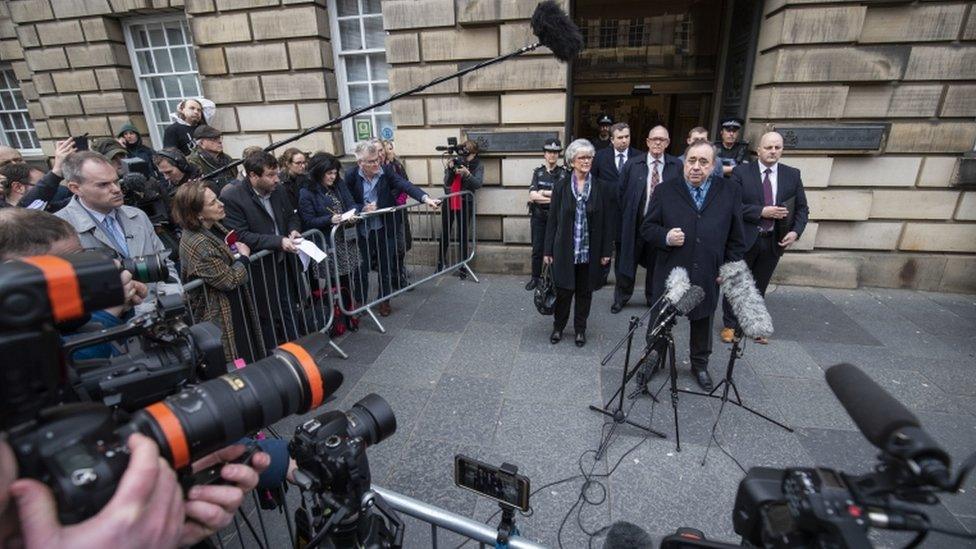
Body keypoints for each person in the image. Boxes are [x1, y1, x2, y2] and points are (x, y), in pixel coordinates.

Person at [640, 139, 745, 391]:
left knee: (702, 321)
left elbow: (736, 239)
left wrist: (727, 269)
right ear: (683, 163)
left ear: (713, 166)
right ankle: (654, 360)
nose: (696, 167)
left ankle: (699, 364)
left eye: (703, 162)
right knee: (661, 320)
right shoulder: (665, 190)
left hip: (707, 271)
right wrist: (665, 236)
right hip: (671, 272)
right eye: (691, 161)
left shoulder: (728, 191)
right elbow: (647, 229)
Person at [55, 151, 182, 315]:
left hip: (157, 320)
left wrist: (173, 295)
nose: (116, 189)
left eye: (116, 181)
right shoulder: (59, 228)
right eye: (103, 185)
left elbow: (164, 262)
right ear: (75, 188)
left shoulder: (138, 216)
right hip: (109, 329)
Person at [720, 131, 809, 344]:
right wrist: (761, 212)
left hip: (773, 240)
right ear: (758, 150)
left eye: (777, 147)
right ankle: (730, 325)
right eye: (768, 147)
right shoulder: (742, 173)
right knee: (737, 282)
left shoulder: (792, 175)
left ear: (782, 150)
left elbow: (802, 209)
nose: (773, 151)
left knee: (760, 285)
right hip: (746, 238)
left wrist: (795, 232)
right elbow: (732, 207)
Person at [172, 181, 264, 363]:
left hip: (233, 305)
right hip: (218, 312)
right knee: (235, 360)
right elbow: (229, 280)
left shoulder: (212, 226)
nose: (221, 204)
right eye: (213, 203)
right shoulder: (199, 244)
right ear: (197, 214)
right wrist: (244, 257)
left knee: (247, 352)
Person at [346, 141, 440, 317]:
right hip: (363, 230)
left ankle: (384, 300)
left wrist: (425, 198)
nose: (376, 163)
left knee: (386, 266)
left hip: (384, 227)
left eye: (377, 160)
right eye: (371, 161)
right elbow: (347, 200)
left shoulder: (385, 172)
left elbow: (405, 185)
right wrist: (361, 209)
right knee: (361, 268)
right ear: (360, 163)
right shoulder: (351, 176)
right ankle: (359, 302)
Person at [221, 151, 303, 349]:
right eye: (270, 175)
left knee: (288, 307)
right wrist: (277, 241)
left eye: (277, 174)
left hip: (283, 261)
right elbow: (241, 235)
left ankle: (297, 351)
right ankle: (273, 356)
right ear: (253, 176)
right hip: (260, 267)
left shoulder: (279, 190)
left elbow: (292, 215)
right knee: (266, 315)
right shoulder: (233, 197)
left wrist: (293, 230)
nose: (276, 179)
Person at [543, 139, 612, 348]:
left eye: (589, 157)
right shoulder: (561, 186)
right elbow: (553, 220)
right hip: (565, 250)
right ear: (572, 160)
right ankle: (558, 327)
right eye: (582, 157)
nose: (586, 161)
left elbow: (608, 221)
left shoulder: (601, 187)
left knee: (585, 292)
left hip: (589, 251)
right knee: (564, 291)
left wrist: (606, 250)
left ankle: (580, 329)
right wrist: (548, 250)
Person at [612, 125, 683, 313]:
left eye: (662, 139)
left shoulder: (676, 166)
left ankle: (653, 298)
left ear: (667, 143)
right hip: (635, 223)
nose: (658, 142)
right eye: (654, 139)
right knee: (627, 262)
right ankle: (621, 297)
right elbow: (620, 194)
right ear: (647, 142)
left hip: (660, 227)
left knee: (656, 264)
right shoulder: (632, 164)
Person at [299, 153, 362, 325]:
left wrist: (352, 214)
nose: (333, 177)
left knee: (347, 280)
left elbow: (352, 203)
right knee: (334, 281)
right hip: (327, 243)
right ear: (318, 172)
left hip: (345, 240)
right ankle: (335, 317)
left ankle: (349, 314)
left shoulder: (338, 185)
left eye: (335, 173)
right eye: (329, 173)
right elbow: (308, 221)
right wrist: (329, 220)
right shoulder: (307, 192)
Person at [592, 122, 643, 276]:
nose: (624, 140)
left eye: (627, 136)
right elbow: (593, 181)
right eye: (620, 137)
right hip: (606, 211)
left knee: (624, 253)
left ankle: (621, 294)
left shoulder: (639, 157)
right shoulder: (600, 156)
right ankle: (600, 278)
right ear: (612, 140)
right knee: (603, 246)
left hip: (629, 212)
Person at [526, 138, 567, 291]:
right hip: (539, 216)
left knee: (555, 249)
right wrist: (552, 196)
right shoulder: (538, 172)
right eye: (549, 152)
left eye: (556, 152)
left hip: (556, 218)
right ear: (544, 154)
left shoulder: (564, 174)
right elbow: (532, 196)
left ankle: (550, 278)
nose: (552, 155)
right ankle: (535, 278)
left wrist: (543, 192)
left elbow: (564, 196)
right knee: (537, 249)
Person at [439, 139, 483, 280]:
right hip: (450, 200)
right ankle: (440, 263)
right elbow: (446, 183)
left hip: (465, 202)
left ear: (474, 152)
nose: (465, 155)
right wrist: (451, 169)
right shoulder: (456, 161)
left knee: (463, 235)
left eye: (468, 151)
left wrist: (467, 174)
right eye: (464, 151)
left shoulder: (478, 165)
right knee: (445, 231)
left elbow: (477, 184)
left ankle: (463, 266)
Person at [0, 140, 75, 210]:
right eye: (6, 163)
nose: (15, 165)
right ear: (17, 187)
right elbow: (19, 214)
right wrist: (55, 173)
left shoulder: (61, 192)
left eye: (18, 160)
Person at [382, 139, 412, 287]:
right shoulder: (382, 167)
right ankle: (396, 275)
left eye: (391, 147)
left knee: (402, 242)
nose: (391, 150)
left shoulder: (398, 165)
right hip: (389, 209)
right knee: (392, 245)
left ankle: (400, 270)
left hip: (400, 208)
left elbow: (405, 183)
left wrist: (401, 198)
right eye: (388, 148)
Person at [186, 125, 234, 195]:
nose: (220, 141)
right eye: (213, 139)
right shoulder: (192, 162)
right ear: (201, 143)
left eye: (219, 138)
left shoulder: (227, 159)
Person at [278, 147, 308, 213]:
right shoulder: (280, 182)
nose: (303, 166)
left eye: (304, 162)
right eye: (298, 163)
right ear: (288, 164)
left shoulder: (306, 178)